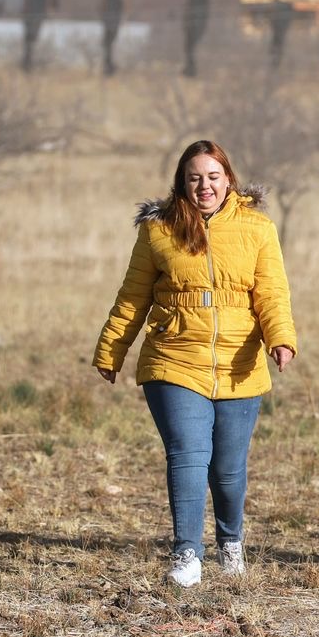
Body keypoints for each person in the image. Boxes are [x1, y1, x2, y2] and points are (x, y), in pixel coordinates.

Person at [93, 140, 297, 588]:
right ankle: (187, 553)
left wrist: (280, 338)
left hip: (239, 361)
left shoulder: (257, 228)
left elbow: (271, 294)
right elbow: (132, 297)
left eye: (212, 177)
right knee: (187, 454)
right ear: (181, 183)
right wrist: (111, 350)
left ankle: (230, 542)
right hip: (173, 357)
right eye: (194, 178)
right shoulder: (159, 230)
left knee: (227, 469)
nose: (203, 186)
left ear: (228, 180)